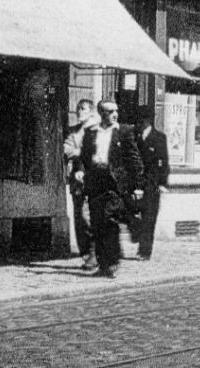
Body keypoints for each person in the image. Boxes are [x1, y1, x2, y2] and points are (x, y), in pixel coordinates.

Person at [78, 99, 143, 278]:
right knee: (97, 223)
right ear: (101, 113)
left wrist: (137, 186)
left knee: (110, 220)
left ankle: (112, 262)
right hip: (95, 182)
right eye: (109, 111)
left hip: (114, 183)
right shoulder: (91, 133)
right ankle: (103, 265)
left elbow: (134, 159)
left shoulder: (124, 132)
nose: (114, 114)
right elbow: (83, 158)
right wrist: (80, 171)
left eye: (116, 111)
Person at [63, 99, 97, 268]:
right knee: (79, 217)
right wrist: (82, 152)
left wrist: (81, 153)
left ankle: (94, 253)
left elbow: (99, 152)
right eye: (78, 109)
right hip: (77, 181)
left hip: (94, 179)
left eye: (83, 109)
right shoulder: (74, 132)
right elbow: (67, 149)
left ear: (91, 111)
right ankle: (85, 252)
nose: (79, 112)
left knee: (89, 216)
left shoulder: (98, 130)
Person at [132, 107, 170, 260]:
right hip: (134, 183)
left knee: (149, 218)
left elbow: (164, 161)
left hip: (151, 184)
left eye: (142, 120)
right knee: (129, 213)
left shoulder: (159, 137)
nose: (140, 123)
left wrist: (162, 182)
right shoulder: (133, 136)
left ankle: (144, 251)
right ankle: (136, 235)